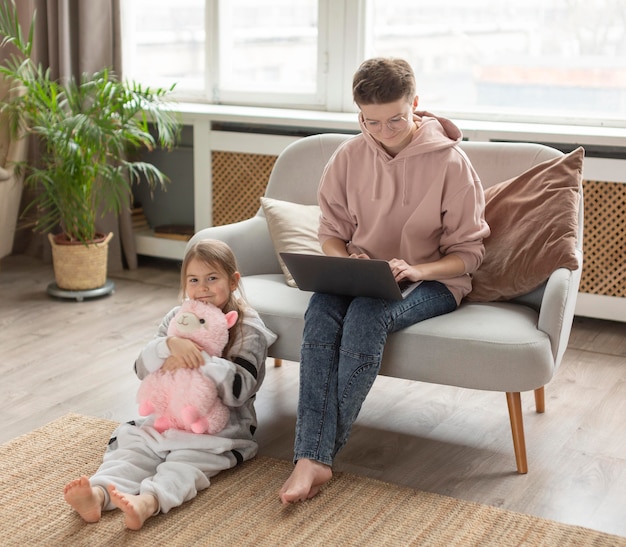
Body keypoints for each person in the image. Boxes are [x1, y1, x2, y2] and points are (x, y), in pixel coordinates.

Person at [279, 57, 490, 504]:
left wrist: (417, 270)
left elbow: (468, 256)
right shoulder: (348, 156)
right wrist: (347, 258)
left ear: (415, 103)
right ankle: (312, 460)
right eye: (371, 121)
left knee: (368, 314)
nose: (384, 130)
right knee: (320, 309)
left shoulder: (452, 163)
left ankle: (313, 457)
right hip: (365, 275)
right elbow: (331, 236)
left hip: (434, 280)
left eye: (396, 118)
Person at [64, 239, 276, 530]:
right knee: (135, 449)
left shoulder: (248, 328)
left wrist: (199, 359)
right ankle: (99, 495)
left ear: (233, 281)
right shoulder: (177, 320)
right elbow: (141, 369)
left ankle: (148, 502)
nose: (202, 288)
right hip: (167, 419)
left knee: (185, 464)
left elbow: (240, 391)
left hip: (220, 428)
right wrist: (168, 345)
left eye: (212, 279)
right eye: (194, 280)